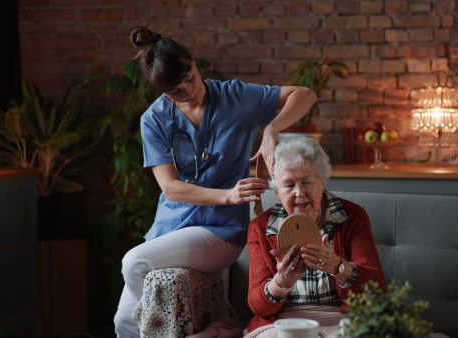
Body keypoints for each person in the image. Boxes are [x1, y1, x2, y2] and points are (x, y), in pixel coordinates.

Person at [113, 26, 317, 337]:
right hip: (169, 229)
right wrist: (227, 195)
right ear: (161, 91)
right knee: (122, 324)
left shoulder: (235, 96)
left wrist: (271, 129)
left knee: (133, 264)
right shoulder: (153, 120)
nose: (189, 92)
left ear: (193, 62)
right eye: (175, 91)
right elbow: (170, 188)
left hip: (220, 230)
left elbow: (305, 94)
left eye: (190, 79)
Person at [245, 137, 385, 337]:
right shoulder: (260, 227)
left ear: (322, 183)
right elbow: (258, 307)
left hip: (344, 320)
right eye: (288, 185)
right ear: (277, 193)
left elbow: (376, 288)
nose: (299, 192)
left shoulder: (353, 217)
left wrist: (338, 266)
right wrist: (281, 282)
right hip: (284, 323)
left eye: (307, 182)